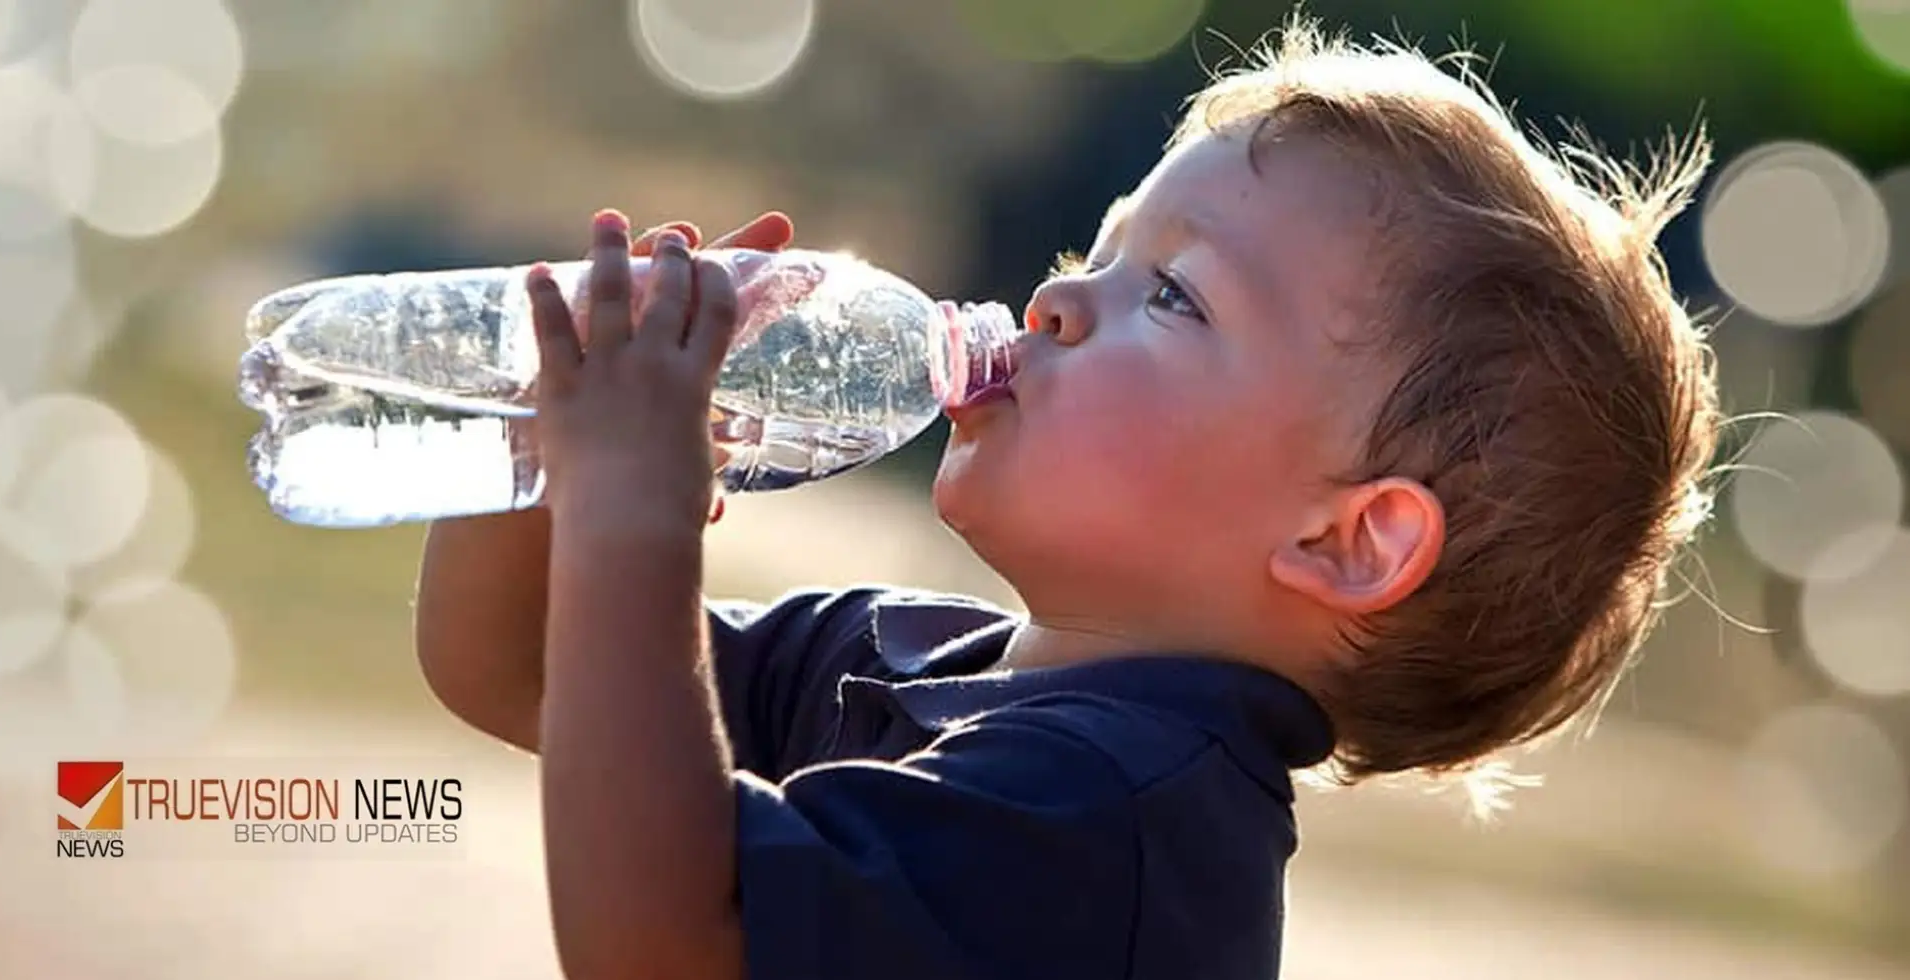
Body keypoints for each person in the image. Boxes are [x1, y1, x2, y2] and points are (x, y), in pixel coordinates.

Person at [413, 14, 1720, 980]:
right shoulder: (911, 657)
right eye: (1094, 250)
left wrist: (634, 521)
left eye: (1171, 294)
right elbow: (515, 664)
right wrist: (549, 447)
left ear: (1346, 538)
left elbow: (658, 944)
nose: (1051, 301)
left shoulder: (1117, 818)